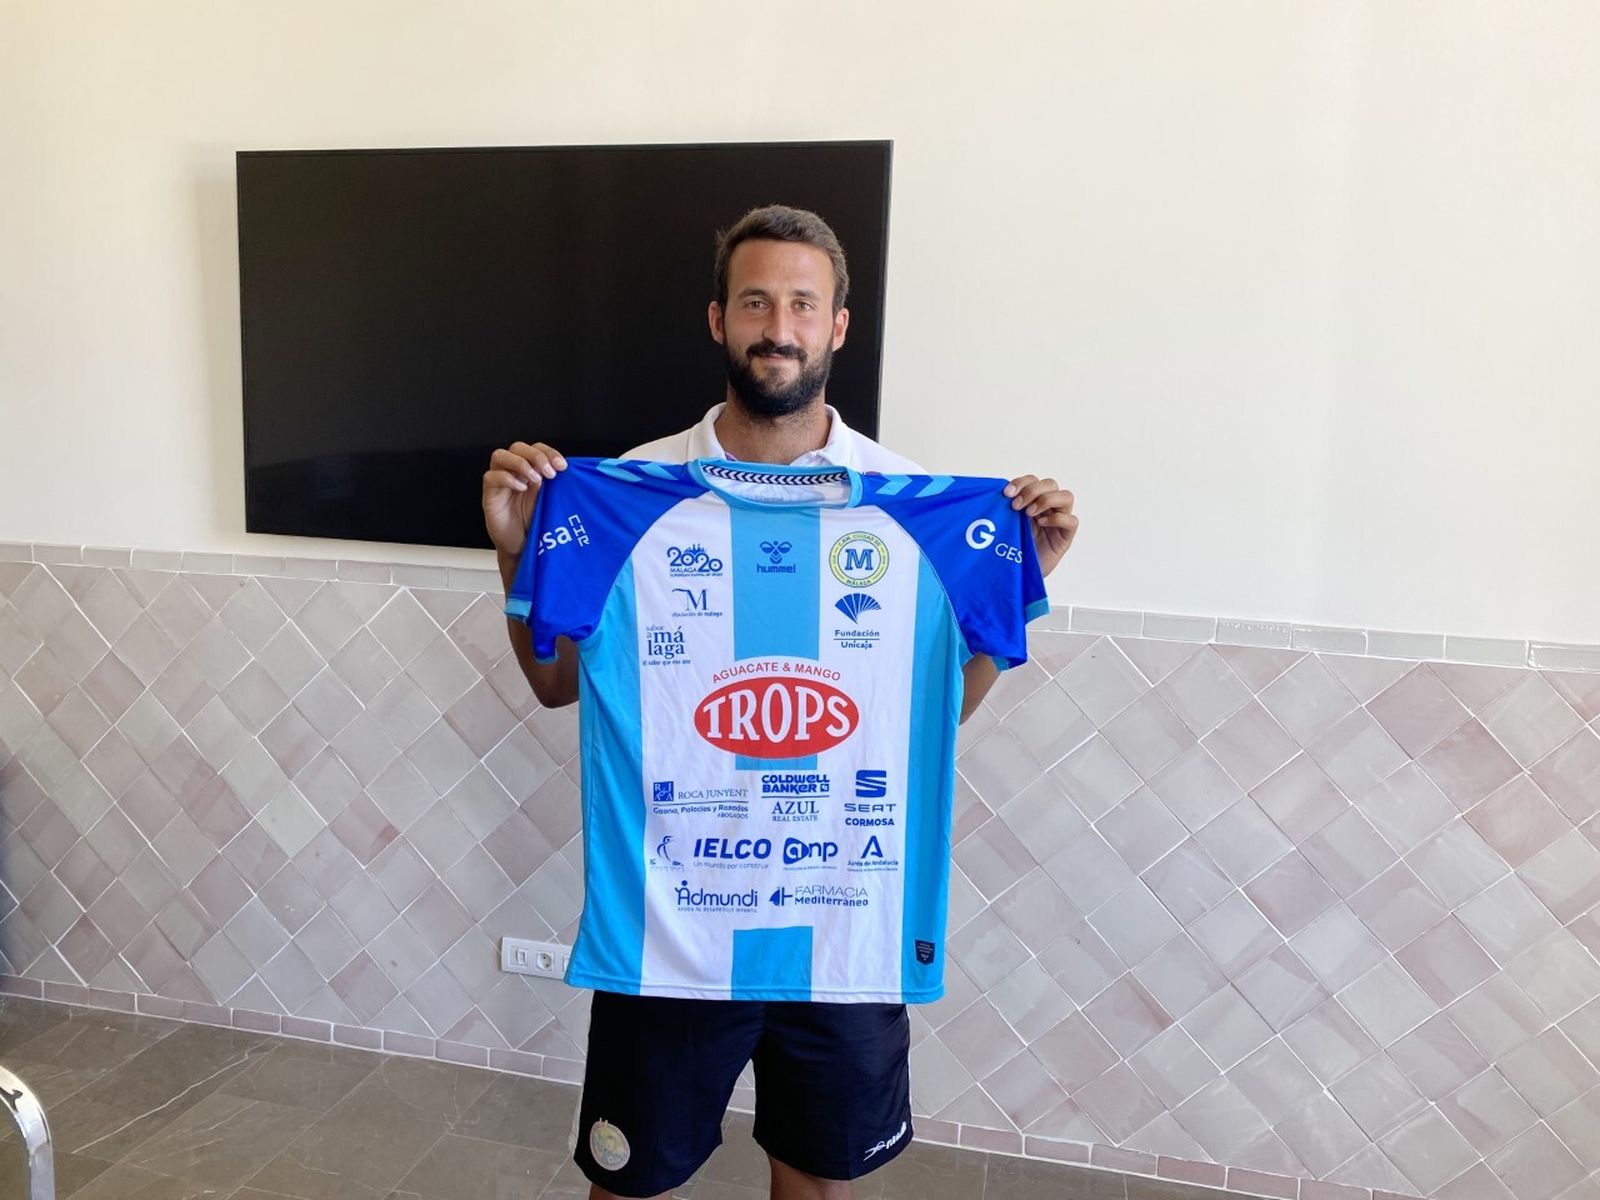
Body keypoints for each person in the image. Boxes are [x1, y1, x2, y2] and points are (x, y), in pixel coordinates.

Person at [482, 205, 1078, 1200]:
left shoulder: (910, 502)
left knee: (815, 1187)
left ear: (838, 326)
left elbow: (923, 718)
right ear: (717, 318)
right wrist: (513, 552)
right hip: (668, 936)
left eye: (803, 303)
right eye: (756, 301)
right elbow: (553, 685)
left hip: (843, 930)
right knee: (626, 1188)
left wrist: (1018, 595)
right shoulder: (631, 491)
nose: (779, 325)